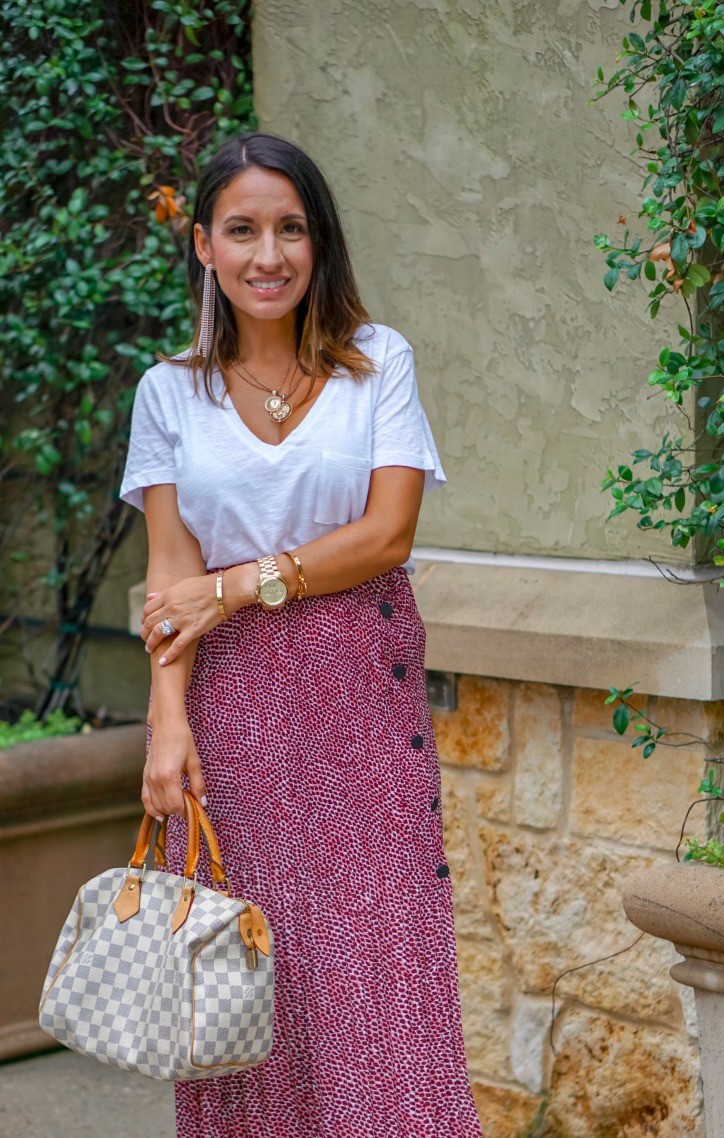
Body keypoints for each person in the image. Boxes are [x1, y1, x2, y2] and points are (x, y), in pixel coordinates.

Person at [120, 132, 483, 1138]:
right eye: (242, 230)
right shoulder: (168, 393)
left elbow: (386, 534)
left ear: (319, 244)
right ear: (204, 245)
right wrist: (164, 723)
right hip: (230, 713)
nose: (267, 254)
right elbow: (167, 577)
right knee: (252, 978)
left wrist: (236, 585)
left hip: (360, 694)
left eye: (290, 229)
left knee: (381, 971)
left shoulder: (380, 362)